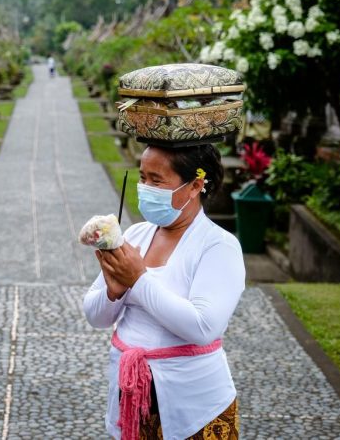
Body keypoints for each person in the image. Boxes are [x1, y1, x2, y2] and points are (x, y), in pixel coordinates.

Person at [83, 144, 245, 440]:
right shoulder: (134, 235)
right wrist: (113, 292)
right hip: (133, 396)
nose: (145, 188)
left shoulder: (218, 246)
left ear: (195, 185)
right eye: (142, 178)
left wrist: (138, 280)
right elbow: (95, 316)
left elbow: (203, 327)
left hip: (195, 406)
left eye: (156, 181)